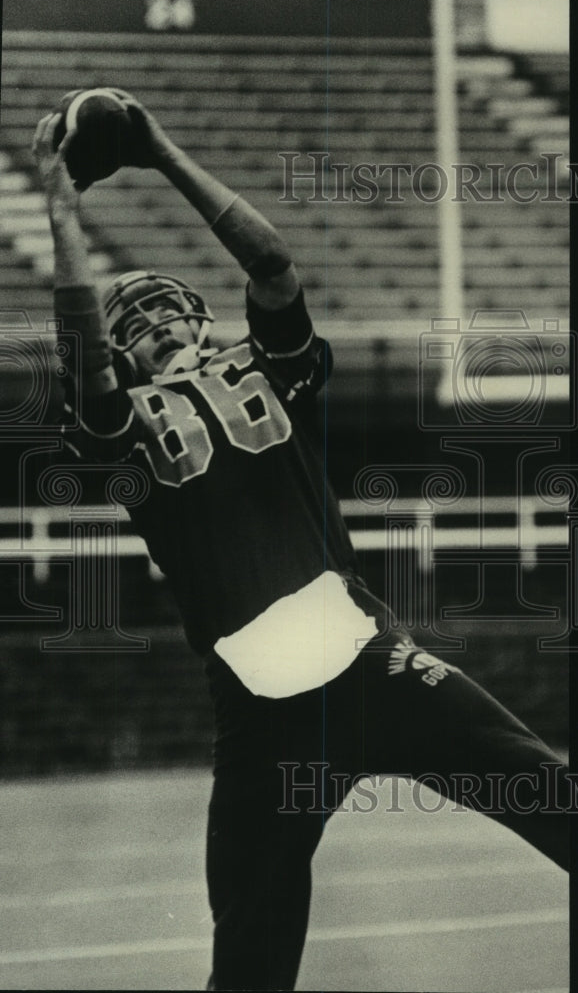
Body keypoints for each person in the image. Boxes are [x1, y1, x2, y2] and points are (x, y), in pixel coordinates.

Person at [33, 94, 570, 993]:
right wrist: (61, 208)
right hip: (262, 708)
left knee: (547, 791)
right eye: (137, 323)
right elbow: (84, 351)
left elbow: (274, 264)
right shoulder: (120, 424)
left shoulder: (264, 371)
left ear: (206, 322)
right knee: (248, 946)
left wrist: (161, 147)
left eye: (170, 309)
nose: (157, 324)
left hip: (366, 660)